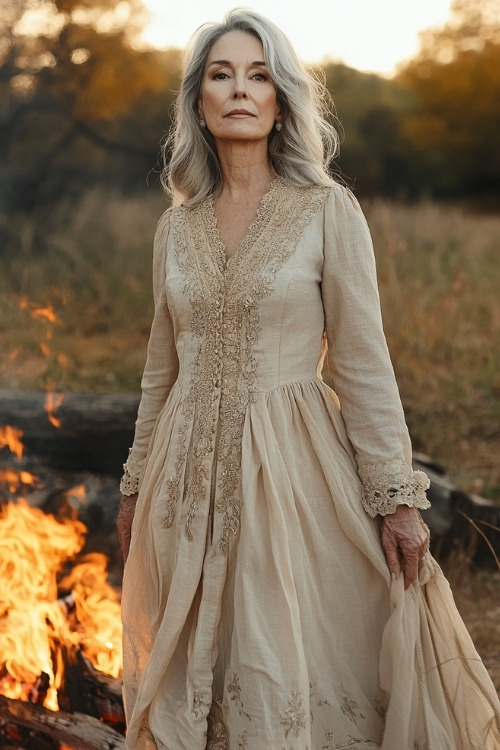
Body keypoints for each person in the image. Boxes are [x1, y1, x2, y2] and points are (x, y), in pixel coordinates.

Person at [117, 8, 500, 749]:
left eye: (259, 76)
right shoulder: (176, 228)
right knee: (193, 669)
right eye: (221, 75)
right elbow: (159, 371)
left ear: (283, 99)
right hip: (182, 477)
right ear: (197, 98)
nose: (240, 90)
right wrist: (134, 483)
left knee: (284, 660)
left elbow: (363, 363)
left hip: (291, 472)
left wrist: (396, 497)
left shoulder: (328, 211)